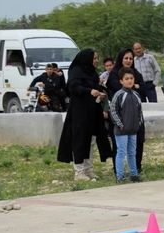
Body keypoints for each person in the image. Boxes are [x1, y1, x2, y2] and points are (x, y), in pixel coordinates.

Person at [57, 49, 112, 181]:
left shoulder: (92, 73)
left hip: (92, 111)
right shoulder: (76, 70)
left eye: (97, 58)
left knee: (91, 140)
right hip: (79, 112)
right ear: (86, 59)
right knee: (80, 140)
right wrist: (89, 91)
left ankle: (88, 169)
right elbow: (73, 87)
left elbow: (94, 87)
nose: (96, 61)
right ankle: (79, 171)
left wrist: (99, 92)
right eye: (94, 58)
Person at [106, 49, 147, 175]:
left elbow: (143, 91)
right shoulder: (114, 74)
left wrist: (136, 88)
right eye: (126, 58)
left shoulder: (137, 73)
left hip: (135, 119)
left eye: (130, 58)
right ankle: (119, 172)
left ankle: (136, 169)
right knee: (120, 148)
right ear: (120, 59)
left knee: (136, 144)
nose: (128, 61)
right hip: (121, 119)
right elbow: (116, 91)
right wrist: (135, 86)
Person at [110, 67, 144, 183]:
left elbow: (140, 112)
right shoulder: (119, 95)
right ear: (121, 81)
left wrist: (138, 124)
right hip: (121, 131)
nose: (129, 81)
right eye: (126, 79)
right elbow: (113, 111)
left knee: (132, 153)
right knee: (121, 152)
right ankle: (120, 176)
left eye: (131, 78)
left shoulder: (136, 95)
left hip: (133, 130)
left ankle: (134, 174)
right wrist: (120, 125)